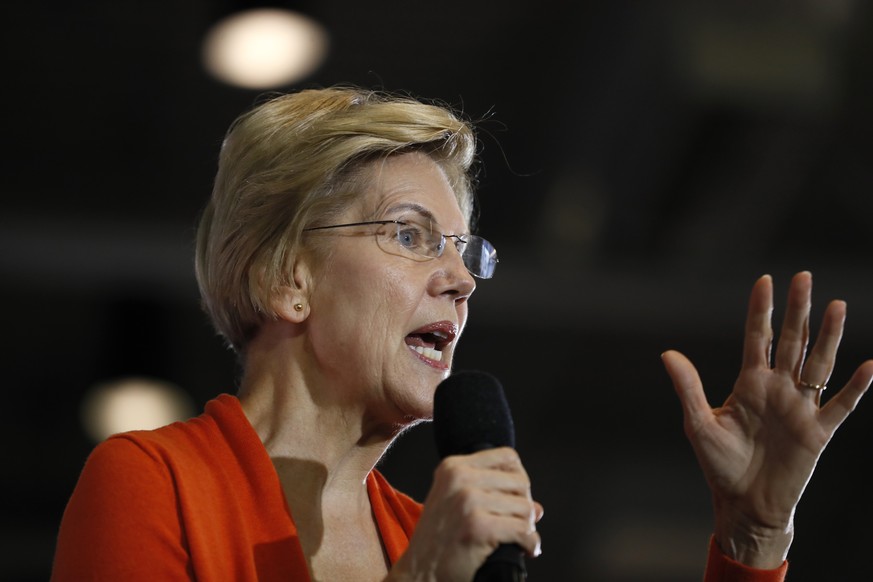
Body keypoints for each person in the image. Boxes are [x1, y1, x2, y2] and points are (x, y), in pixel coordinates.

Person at [50, 86, 871, 581]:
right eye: (409, 235)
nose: (460, 278)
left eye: (463, 248)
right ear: (284, 277)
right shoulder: (151, 485)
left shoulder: (435, 530)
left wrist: (751, 538)